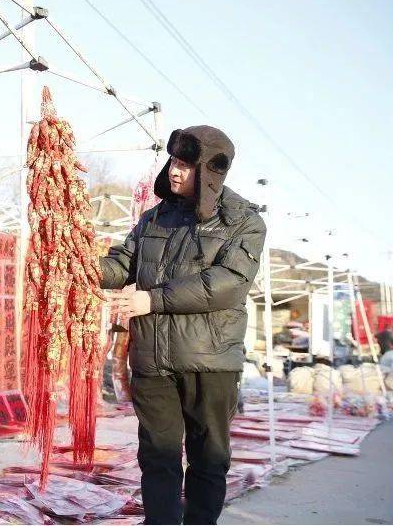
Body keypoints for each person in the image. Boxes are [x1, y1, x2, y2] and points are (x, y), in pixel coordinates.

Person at [100, 126, 266, 525]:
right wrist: (84, 266)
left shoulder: (244, 221)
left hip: (209, 362)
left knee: (208, 458)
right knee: (157, 458)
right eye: (174, 161)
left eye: (187, 165)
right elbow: (122, 264)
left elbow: (226, 284)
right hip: (152, 361)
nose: (175, 171)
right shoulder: (154, 217)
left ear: (210, 171)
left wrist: (150, 299)